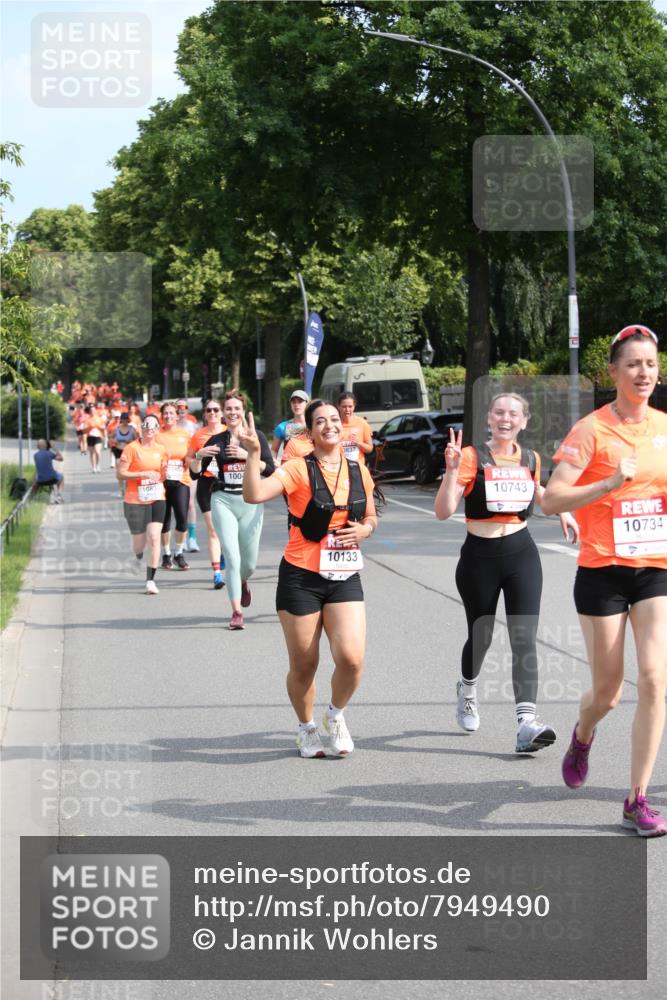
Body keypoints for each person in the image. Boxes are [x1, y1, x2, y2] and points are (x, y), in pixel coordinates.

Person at [542, 325, 667, 836]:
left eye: (652, 365)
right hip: (602, 571)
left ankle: (637, 798)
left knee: (656, 679)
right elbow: (551, 499)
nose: (644, 373)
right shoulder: (590, 430)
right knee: (609, 692)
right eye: (634, 364)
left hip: (654, 567)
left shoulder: (663, 427)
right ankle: (584, 732)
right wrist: (611, 482)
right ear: (613, 372)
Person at [435, 392, 579, 752]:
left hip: (520, 554)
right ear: (489, 418)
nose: (505, 418)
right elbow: (443, 510)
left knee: (523, 638)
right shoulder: (471, 456)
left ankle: (526, 724)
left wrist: (562, 509)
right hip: (479, 558)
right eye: (499, 411)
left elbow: (538, 490)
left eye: (513, 413)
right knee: (480, 637)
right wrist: (452, 473)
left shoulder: (530, 458)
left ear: (524, 421)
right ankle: (467, 688)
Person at [242, 399, 378, 758]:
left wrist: (364, 530)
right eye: (321, 421)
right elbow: (254, 494)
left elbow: (370, 518)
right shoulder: (297, 469)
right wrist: (254, 454)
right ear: (310, 431)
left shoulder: (357, 470)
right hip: (301, 576)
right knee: (305, 663)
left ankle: (335, 715)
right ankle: (306, 728)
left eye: (335, 419)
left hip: (344, 574)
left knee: (351, 658)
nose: (330, 425)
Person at [191, 390, 274, 629]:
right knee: (232, 556)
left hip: (251, 502)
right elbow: (195, 472)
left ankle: (243, 580)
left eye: (236, 408)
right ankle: (236, 612)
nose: (232, 412)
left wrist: (247, 455)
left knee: (249, 564)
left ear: (243, 410)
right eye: (228, 409)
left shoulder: (256, 436)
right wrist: (198, 456)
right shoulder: (216, 441)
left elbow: (269, 469)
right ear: (223, 414)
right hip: (223, 500)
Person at [116, 413, 167, 595]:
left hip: (156, 497)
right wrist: (141, 474)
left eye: (153, 426)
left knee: (154, 537)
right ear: (141, 428)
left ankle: (150, 581)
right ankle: (137, 557)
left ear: (157, 430)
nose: (149, 429)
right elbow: (120, 473)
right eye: (146, 426)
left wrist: (165, 473)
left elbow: (162, 472)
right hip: (134, 500)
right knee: (139, 543)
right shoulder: (131, 448)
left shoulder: (161, 450)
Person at [187, 399, 227, 586]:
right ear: (204, 414)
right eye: (209, 410)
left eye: (216, 409)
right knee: (213, 529)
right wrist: (198, 456)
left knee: (227, 529)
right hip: (206, 482)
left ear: (221, 412)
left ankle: (225, 551)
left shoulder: (229, 432)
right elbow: (189, 457)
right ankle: (217, 573)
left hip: (227, 482)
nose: (212, 413)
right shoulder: (198, 435)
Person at [156, 402, 192, 570]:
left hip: (181, 480)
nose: (169, 416)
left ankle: (179, 552)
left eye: (172, 413)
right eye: (166, 413)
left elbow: (191, 454)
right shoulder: (157, 434)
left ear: (177, 416)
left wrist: (189, 459)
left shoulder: (184, 434)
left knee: (182, 518)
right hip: (161, 481)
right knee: (165, 520)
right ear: (162, 416)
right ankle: (166, 554)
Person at [270, 389, 309, 464]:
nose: (296, 404)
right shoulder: (282, 427)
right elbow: (274, 450)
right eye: (293, 402)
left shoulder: (314, 425)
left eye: (300, 401)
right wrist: (275, 463)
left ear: (307, 403)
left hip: (310, 470)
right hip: (289, 470)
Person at [337, 392, 373, 465]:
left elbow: (369, 449)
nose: (347, 410)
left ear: (354, 406)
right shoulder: (334, 424)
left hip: (357, 468)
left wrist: (358, 443)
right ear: (338, 406)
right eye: (344, 406)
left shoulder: (362, 423)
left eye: (350, 406)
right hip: (339, 468)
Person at [109, 413, 137, 497]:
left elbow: (137, 439)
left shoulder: (132, 429)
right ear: (121, 420)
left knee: (128, 470)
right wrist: (115, 441)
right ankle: (121, 489)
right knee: (119, 470)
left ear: (128, 420)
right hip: (118, 450)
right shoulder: (117, 429)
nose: (125, 422)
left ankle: (128, 488)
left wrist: (130, 441)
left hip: (128, 452)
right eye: (123, 420)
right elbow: (110, 437)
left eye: (126, 420)